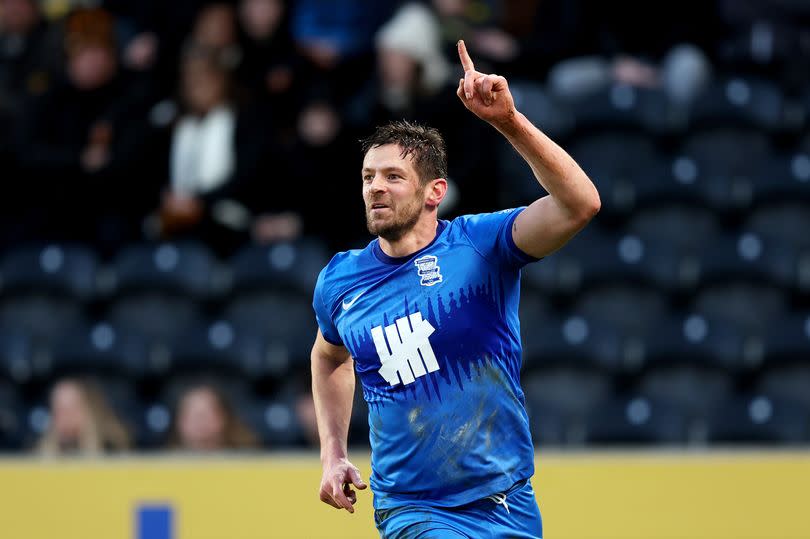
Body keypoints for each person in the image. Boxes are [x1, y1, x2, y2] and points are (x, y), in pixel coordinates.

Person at [310, 40, 600, 538]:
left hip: (508, 499)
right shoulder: (340, 281)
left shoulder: (479, 245)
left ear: (434, 193)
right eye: (368, 177)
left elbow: (580, 204)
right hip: (411, 508)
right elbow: (329, 356)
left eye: (393, 177)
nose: (375, 187)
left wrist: (508, 122)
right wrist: (332, 453)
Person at [37, 378, 131, 456]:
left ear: (87, 409)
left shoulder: (111, 448)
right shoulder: (36, 454)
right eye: (59, 410)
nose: (65, 416)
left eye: (72, 409)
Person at [167, 382, 258, 451]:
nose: (200, 423)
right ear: (179, 422)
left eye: (205, 415)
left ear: (223, 418)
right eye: (193, 416)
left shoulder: (247, 460)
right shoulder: (164, 465)